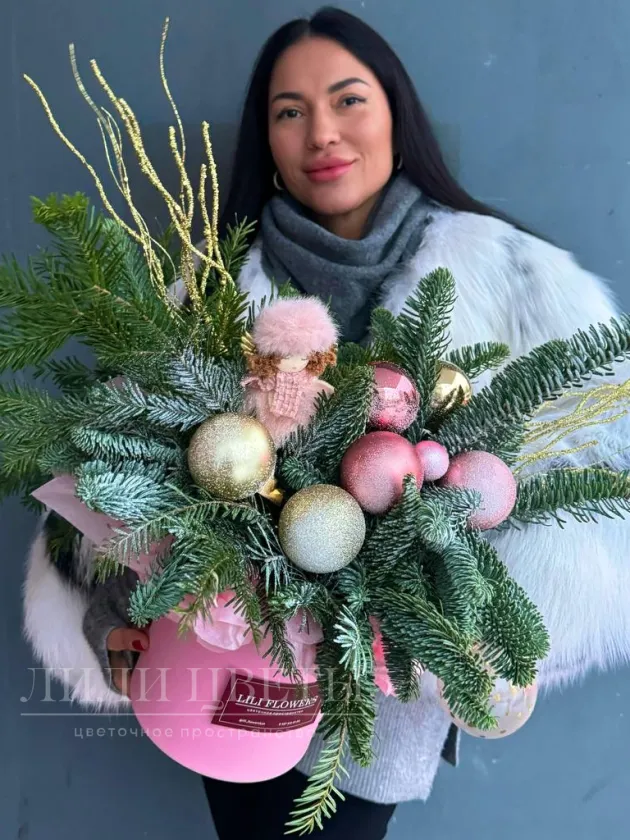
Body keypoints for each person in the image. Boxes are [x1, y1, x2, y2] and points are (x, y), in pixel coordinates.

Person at [22, 6, 630, 839]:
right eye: (290, 111)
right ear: (266, 140)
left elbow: (598, 480)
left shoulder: (514, 277)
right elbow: (112, 467)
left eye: (348, 100)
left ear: (395, 114)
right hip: (221, 674)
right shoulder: (210, 288)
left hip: (385, 694)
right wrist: (109, 618)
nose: (322, 133)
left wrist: (461, 622)